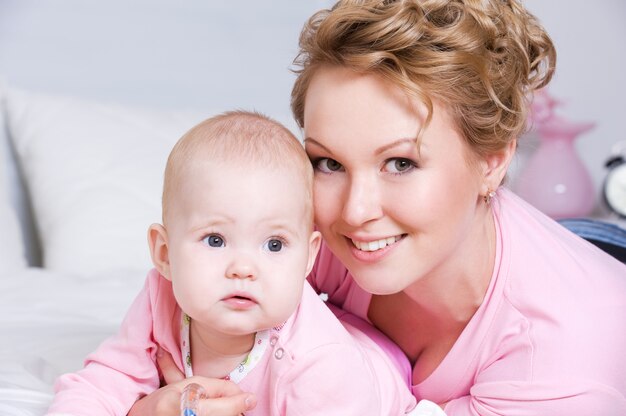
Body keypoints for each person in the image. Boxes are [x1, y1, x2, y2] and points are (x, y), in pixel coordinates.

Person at [134, 0, 626, 415]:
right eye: (328, 161)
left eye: (400, 162)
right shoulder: (319, 229)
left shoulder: (560, 361)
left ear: (492, 162)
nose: (355, 211)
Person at [45, 111, 419, 415]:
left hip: (379, 369)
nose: (243, 268)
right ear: (165, 254)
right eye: (216, 240)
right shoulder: (161, 297)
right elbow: (108, 379)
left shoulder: (320, 362)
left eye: (274, 244)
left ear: (308, 257)